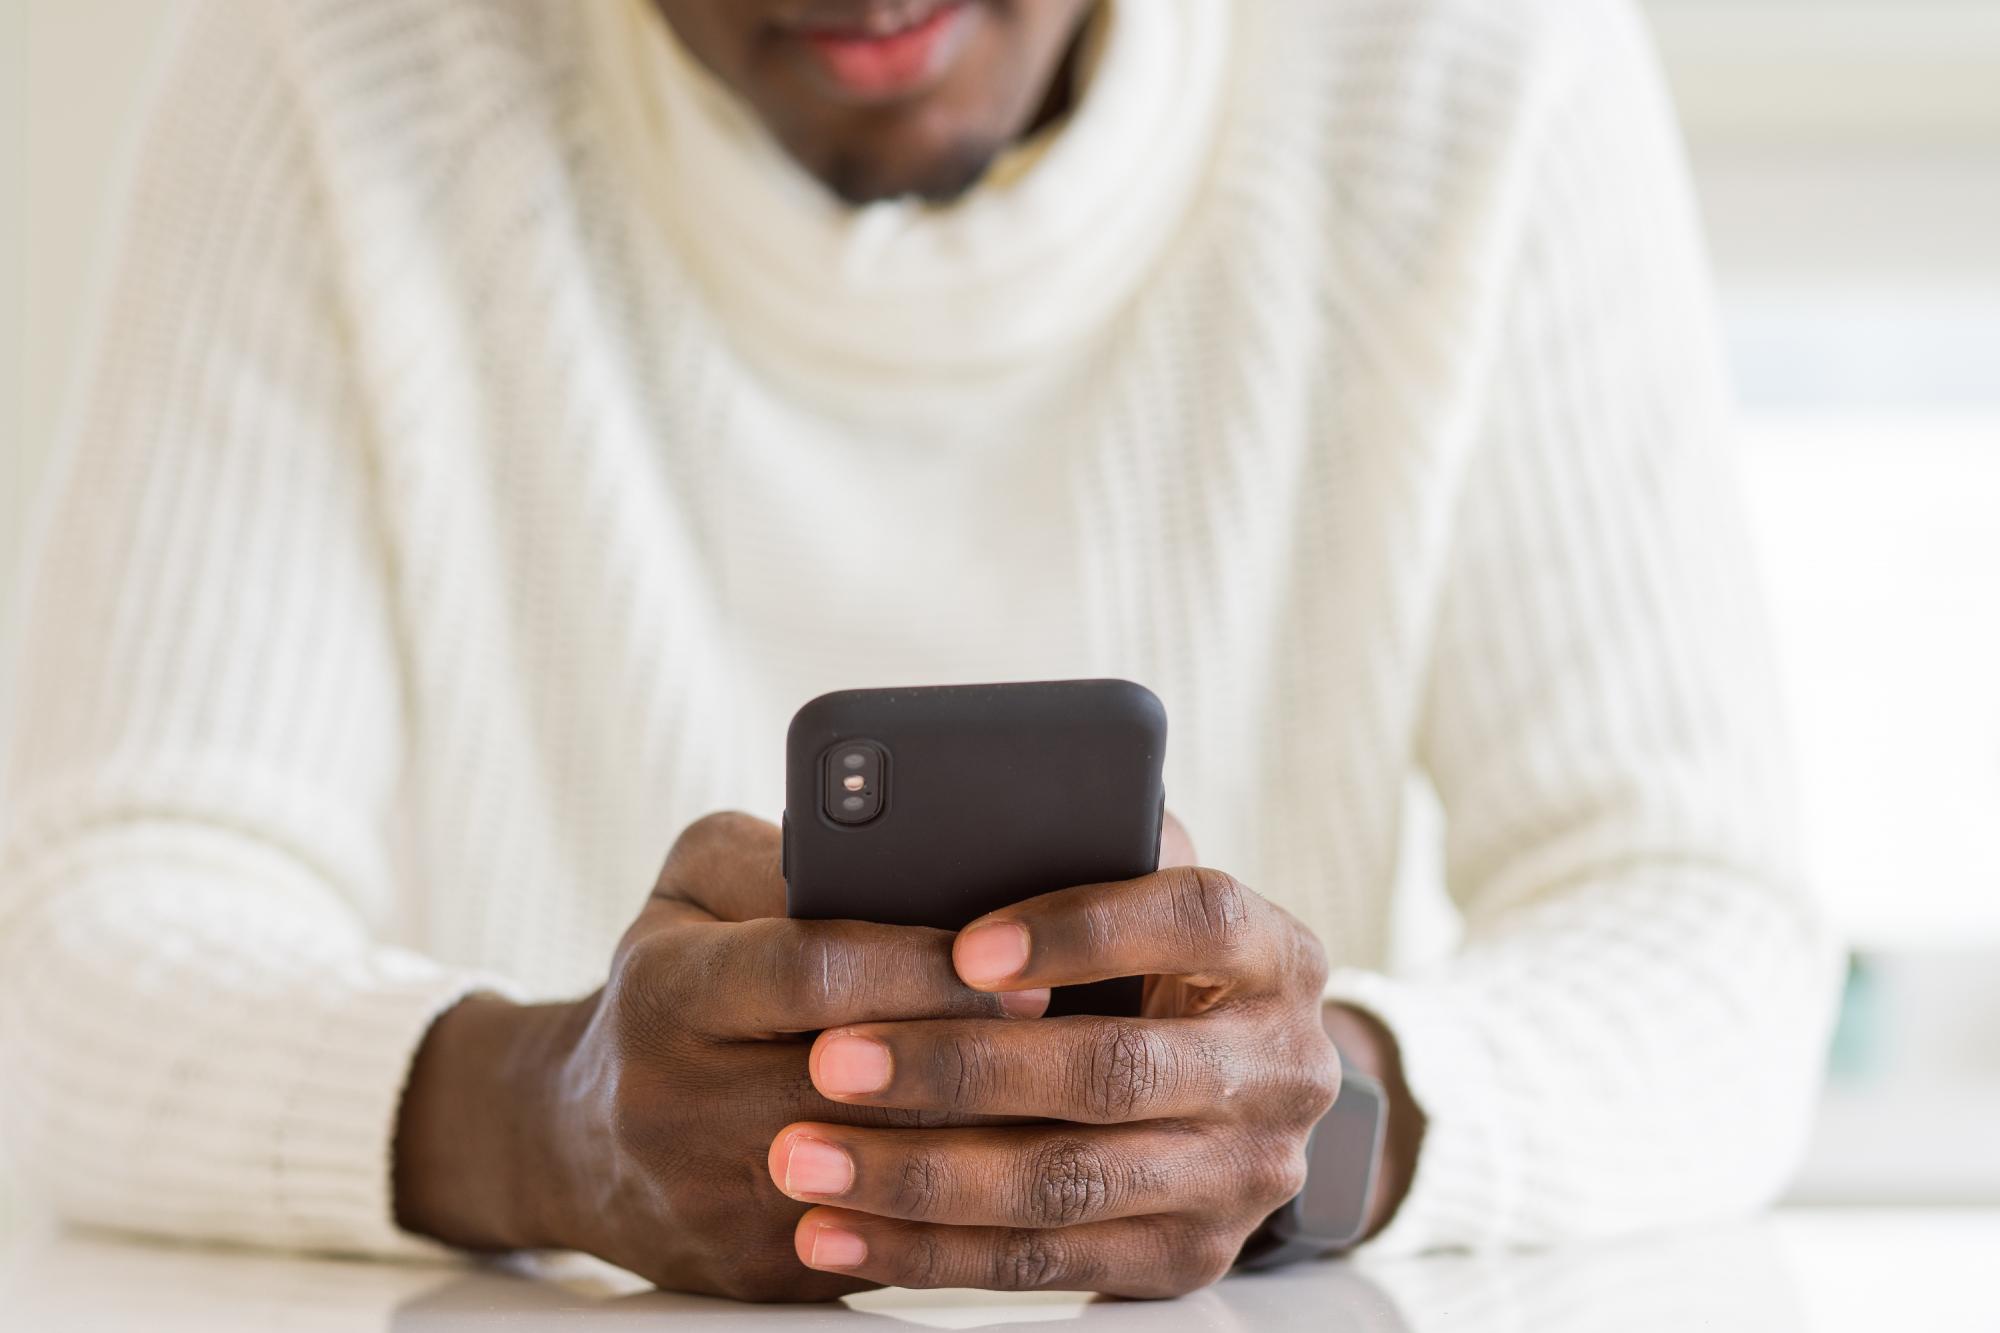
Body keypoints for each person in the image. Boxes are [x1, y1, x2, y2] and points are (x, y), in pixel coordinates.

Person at [0, 0, 1839, 1304]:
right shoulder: (337, 60)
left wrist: (1301, 1126)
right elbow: (84, 942)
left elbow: (1709, 936)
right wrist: (550, 1118)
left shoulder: (1473, 59)